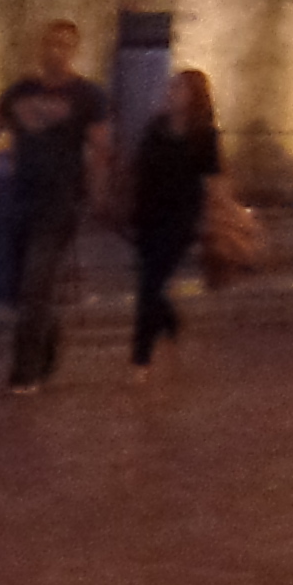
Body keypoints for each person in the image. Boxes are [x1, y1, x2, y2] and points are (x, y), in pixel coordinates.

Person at [0, 20, 115, 392]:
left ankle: (25, 371)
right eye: (51, 44)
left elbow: (101, 147)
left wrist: (98, 192)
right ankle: (48, 343)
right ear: (42, 47)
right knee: (24, 286)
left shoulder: (88, 96)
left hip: (61, 199)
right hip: (21, 196)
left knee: (38, 279)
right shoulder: (20, 91)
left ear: (74, 50)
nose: (57, 51)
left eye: (65, 45)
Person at [128, 66, 227, 369]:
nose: (171, 93)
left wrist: (214, 219)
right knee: (150, 281)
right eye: (171, 87)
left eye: (179, 89)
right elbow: (139, 166)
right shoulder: (156, 127)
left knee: (149, 285)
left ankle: (140, 359)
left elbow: (213, 179)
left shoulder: (204, 134)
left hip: (181, 217)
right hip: (148, 213)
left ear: (194, 97)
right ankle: (169, 322)